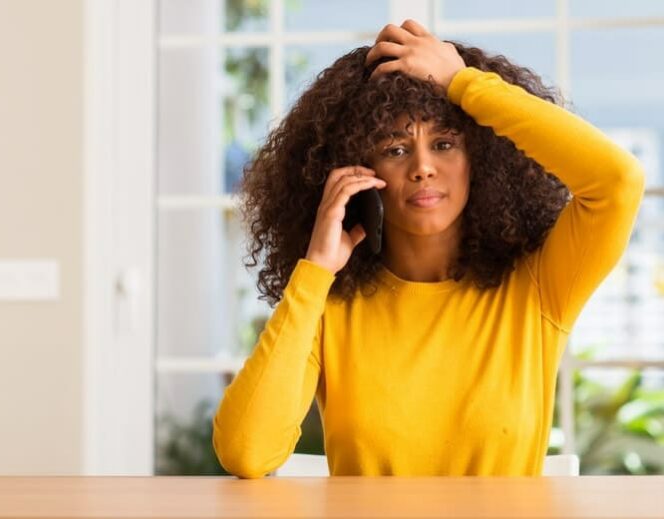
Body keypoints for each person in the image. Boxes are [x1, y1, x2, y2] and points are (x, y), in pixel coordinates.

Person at [212, 19, 645, 478]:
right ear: (358, 169)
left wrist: (463, 84)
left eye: (444, 143)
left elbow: (618, 183)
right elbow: (245, 451)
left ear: (478, 157)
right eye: (395, 148)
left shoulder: (538, 285)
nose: (423, 167)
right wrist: (316, 270)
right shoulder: (329, 306)